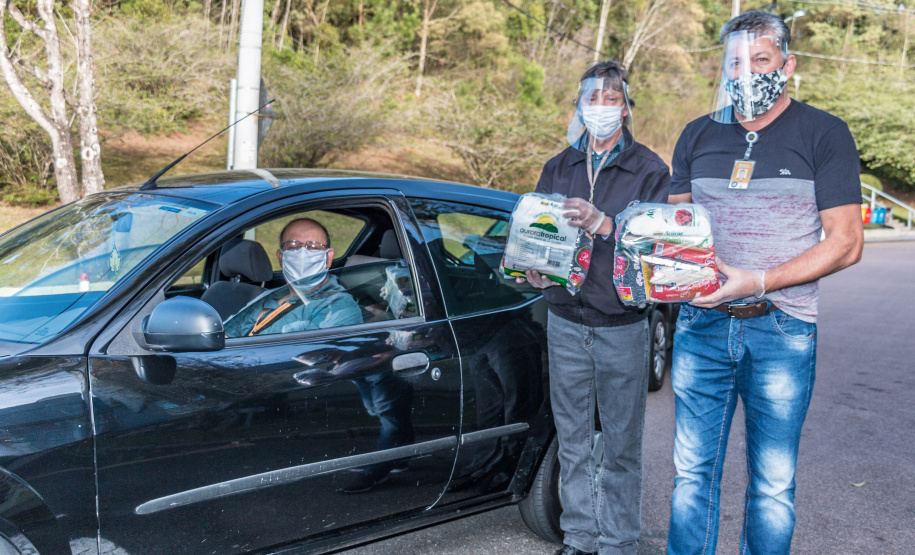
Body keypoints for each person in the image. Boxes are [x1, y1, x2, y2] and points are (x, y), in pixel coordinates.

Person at [666, 11, 864, 554]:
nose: (747, 72)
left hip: (782, 329)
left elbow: (846, 242)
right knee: (690, 476)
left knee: (772, 487)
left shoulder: (824, 133)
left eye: (761, 60)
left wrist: (759, 279)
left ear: (788, 64)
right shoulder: (697, 134)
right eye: (735, 62)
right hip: (700, 325)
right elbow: (674, 230)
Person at [520, 61, 671, 555]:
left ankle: (620, 543)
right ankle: (580, 539)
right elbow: (538, 234)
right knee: (573, 441)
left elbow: (656, 254)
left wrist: (605, 224)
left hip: (622, 326)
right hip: (564, 320)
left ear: (627, 107)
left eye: (612, 98)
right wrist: (533, 268)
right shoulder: (558, 165)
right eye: (592, 97)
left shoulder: (650, 170)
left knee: (622, 448)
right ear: (578, 105)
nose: (601, 107)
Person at [223, 218, 362, 337]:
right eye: (292, 246)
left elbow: (306, 361)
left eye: (313, 246)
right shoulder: (268, 297)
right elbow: (225, 336)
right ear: (281, 257)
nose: (302, 253)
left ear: (328, 257)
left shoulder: (338, 307)